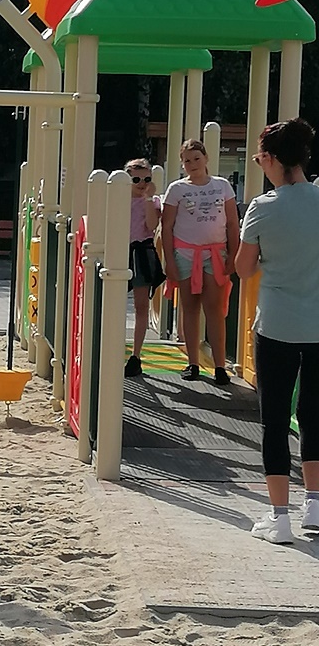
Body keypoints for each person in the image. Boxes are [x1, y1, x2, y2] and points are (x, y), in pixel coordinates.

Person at [234, 118, 319, 544]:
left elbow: (244, 268)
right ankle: (315, 505)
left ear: (269, 159)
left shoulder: (263, 207)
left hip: (277, 323)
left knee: (274, 419)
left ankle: (279, 516)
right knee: (314, 414)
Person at [161, 138, 239, 385]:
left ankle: (219, 366)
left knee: (215, 309)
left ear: (206, 158)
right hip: (185, 253)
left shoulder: (222, 186)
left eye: (196, 158)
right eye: (187, 160)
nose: (192, 164)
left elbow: (232, 223)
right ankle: (193, 362)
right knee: (190, 307)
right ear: (182, 164)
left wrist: (234, 254)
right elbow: (166, 226)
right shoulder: (176, 189)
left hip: (215, 253)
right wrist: (169, 261)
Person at [123, 158, 164, 378]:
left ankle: (135, 356)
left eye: (146, 179)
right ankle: (113, 347)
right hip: (121, 252)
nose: (142, 183)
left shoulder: (153, 201)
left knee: (141, 306)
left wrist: (148, 197)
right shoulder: (117, 198)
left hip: (142, 252)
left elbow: (152, 225)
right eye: (136, 179)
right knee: (113, 303)